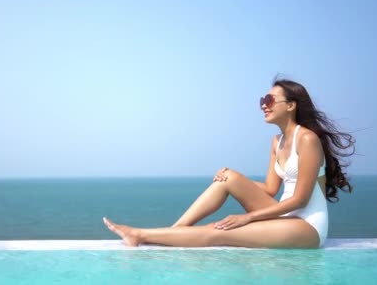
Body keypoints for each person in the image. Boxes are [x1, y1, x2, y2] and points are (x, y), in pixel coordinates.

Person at [103, 78, 354, 248]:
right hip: (285, 217)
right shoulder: (277, 141)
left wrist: (248, 218)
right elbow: (269, 189)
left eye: (269, 101)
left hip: (306, 226)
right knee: (228, 178)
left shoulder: (307, 139)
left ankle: (139, 234)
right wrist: (234, 178)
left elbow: (299, 200)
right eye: (262, 101)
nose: (264, 106)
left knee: (220, 231)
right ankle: (174, 232)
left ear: (290, 105)